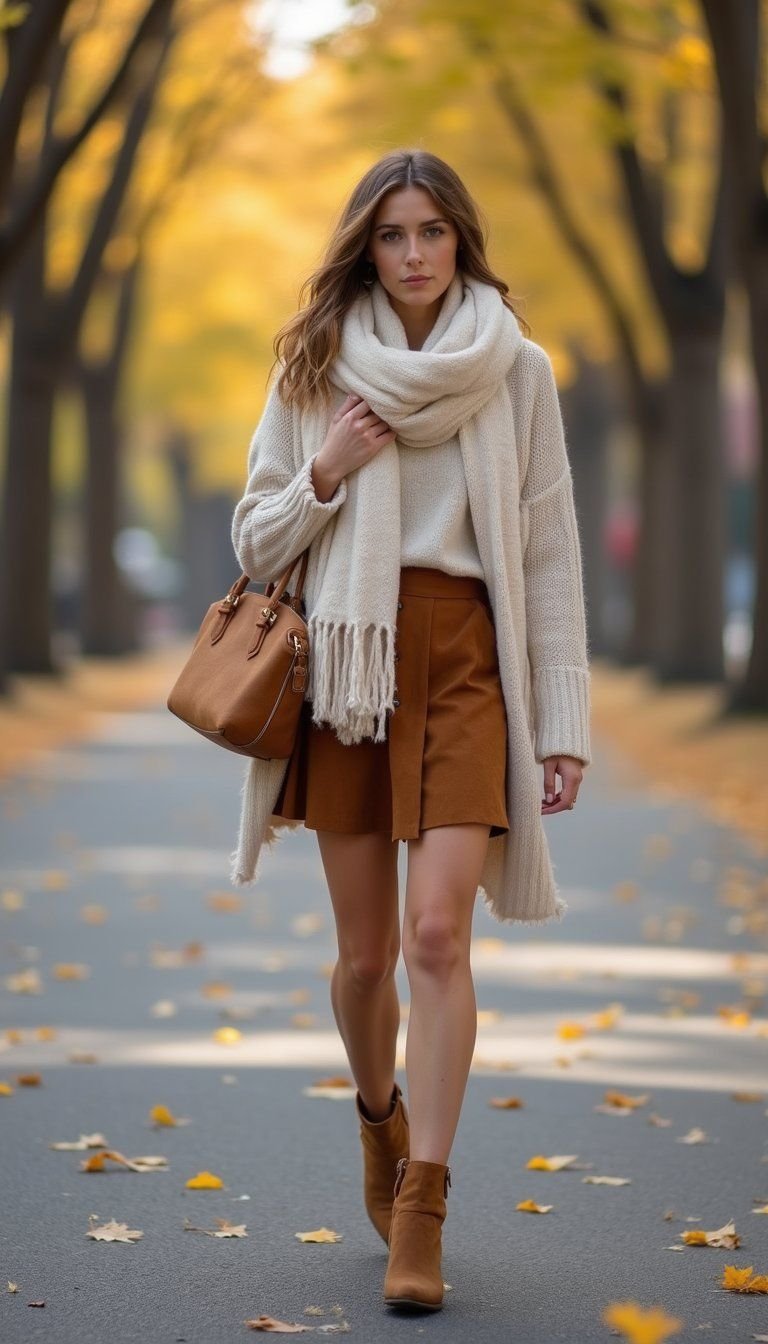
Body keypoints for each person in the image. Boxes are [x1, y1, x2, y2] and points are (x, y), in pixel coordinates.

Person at [230, 147, 592, 1313]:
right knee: (369, 957)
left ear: (461, 240)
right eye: (393, 234)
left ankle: (423, 1207)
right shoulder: (316, 366)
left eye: (433, 231)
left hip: (466, 658)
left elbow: (545, 555)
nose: (415, 254)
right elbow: (253, 541)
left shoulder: (517, 371)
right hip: (347, 660)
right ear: (365, 246)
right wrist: (325, 471)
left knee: (439, 936)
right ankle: (379, 1120)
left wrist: (564, 723)